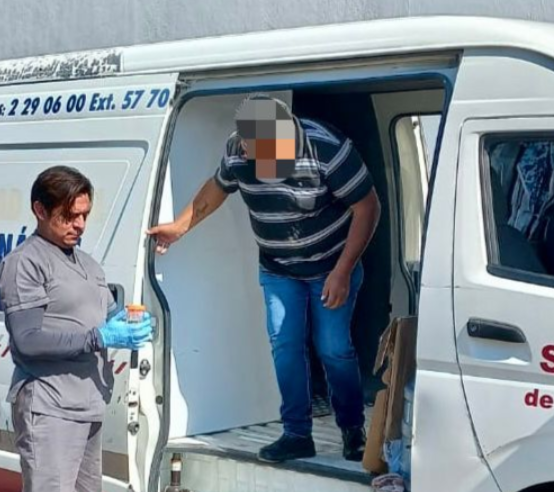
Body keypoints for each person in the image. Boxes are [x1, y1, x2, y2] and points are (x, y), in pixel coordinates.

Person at [148, 94, 380, 463]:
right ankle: (296, 434)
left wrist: (344, 270)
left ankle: (353, 430)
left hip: (332, 265)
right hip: (278, 267)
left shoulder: (327, 148)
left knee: (333, 348)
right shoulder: (238, 152)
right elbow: (216, 189)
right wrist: (179, 227)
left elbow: (367, 207)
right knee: (285, 345)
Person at [0, 165, 153, 492]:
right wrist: (96, 339)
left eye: (84, 214)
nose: (78, 224)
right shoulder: (25, 265)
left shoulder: (84, 262)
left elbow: (99, 309)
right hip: (49, 406)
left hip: (87, 405)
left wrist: (125, 323)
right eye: (69, 215)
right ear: (40, 210)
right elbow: (29, 340)